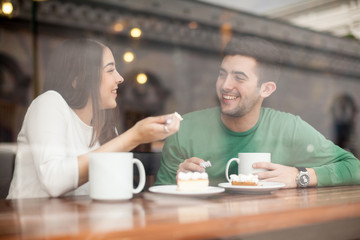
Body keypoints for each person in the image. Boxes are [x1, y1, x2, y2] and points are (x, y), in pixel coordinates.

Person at [155, 36, 360, 188]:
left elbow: (354, 167)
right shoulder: (184, 131)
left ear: (266, 89)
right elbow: (160, 202)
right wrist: (179, 183)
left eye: (239, 77)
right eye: (222, 74)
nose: (226, 85)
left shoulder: (287, 128)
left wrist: (300, 176)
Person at [7, 38, 181, 199]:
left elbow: (115, 187)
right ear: (78, 79)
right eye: (110, 70)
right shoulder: (49, 104)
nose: (120, 78)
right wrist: (135, 136)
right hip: (32, 226)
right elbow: (54, 181)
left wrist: (178, 170)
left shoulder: (104, 127)